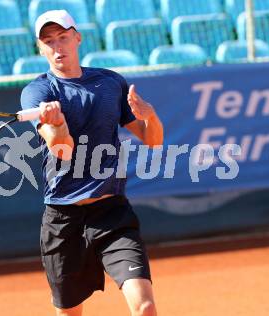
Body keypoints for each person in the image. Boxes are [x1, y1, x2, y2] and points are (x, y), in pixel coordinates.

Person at [20, 10, 164, 316]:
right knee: (70, 312)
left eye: (63, 37)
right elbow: (61, 149)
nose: (58, 47)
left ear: (77, 37)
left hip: (112, 213)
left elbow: (153, 140)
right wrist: (57, 124)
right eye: (49, 41)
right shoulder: (38, 92)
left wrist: (150, 115)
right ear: (40, 48)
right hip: (64, 217)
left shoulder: (111, 83)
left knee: (146, 307)